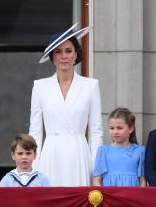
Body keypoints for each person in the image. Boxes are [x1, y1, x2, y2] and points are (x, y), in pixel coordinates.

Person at [29, 23, 103, 186]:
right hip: (51, 154)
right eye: (58, 52)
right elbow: (35, 131)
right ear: (52, 57)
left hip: (79, 153)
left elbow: (96, 131)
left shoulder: (91, 85)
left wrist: (96, 168)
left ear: (76, 54)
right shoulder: (40, 86)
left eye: (68, 51)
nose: (64, 56)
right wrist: (34, 165)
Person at [93, 108, 146, 187]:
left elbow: (142, 180)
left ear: (131, 129)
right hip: (109, 196)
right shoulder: (103, 151)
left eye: (119, 128)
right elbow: (97, 180)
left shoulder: (140, 151)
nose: (115, 132)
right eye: (112, 128)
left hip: (132, 196)